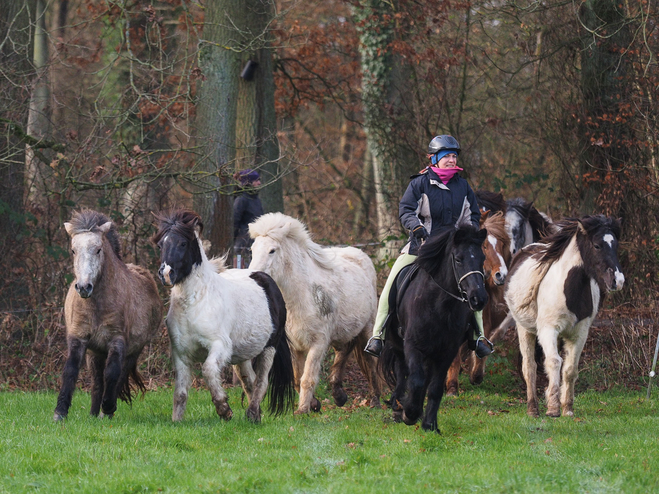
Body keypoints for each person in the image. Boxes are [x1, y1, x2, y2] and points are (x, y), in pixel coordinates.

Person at [364, 135, 494, 358]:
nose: (452, 160)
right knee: (391, 284)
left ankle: (478, 337)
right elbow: (406, 211)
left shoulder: (463, 187)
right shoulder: (419, 184)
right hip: (421, 248)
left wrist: (467, 234)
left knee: (475, 282)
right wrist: (416, 227)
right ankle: (378, 335)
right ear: (434, 159)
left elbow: (472, 215)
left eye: (454, 156)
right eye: (447, 156)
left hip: (453, 251)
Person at [233, 169, 264, 268]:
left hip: (255, 244)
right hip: (243, 246)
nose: (259, 183)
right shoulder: (241, 199)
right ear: (248, 182)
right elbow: (234, 222)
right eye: (256, 180)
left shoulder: (256, 199)